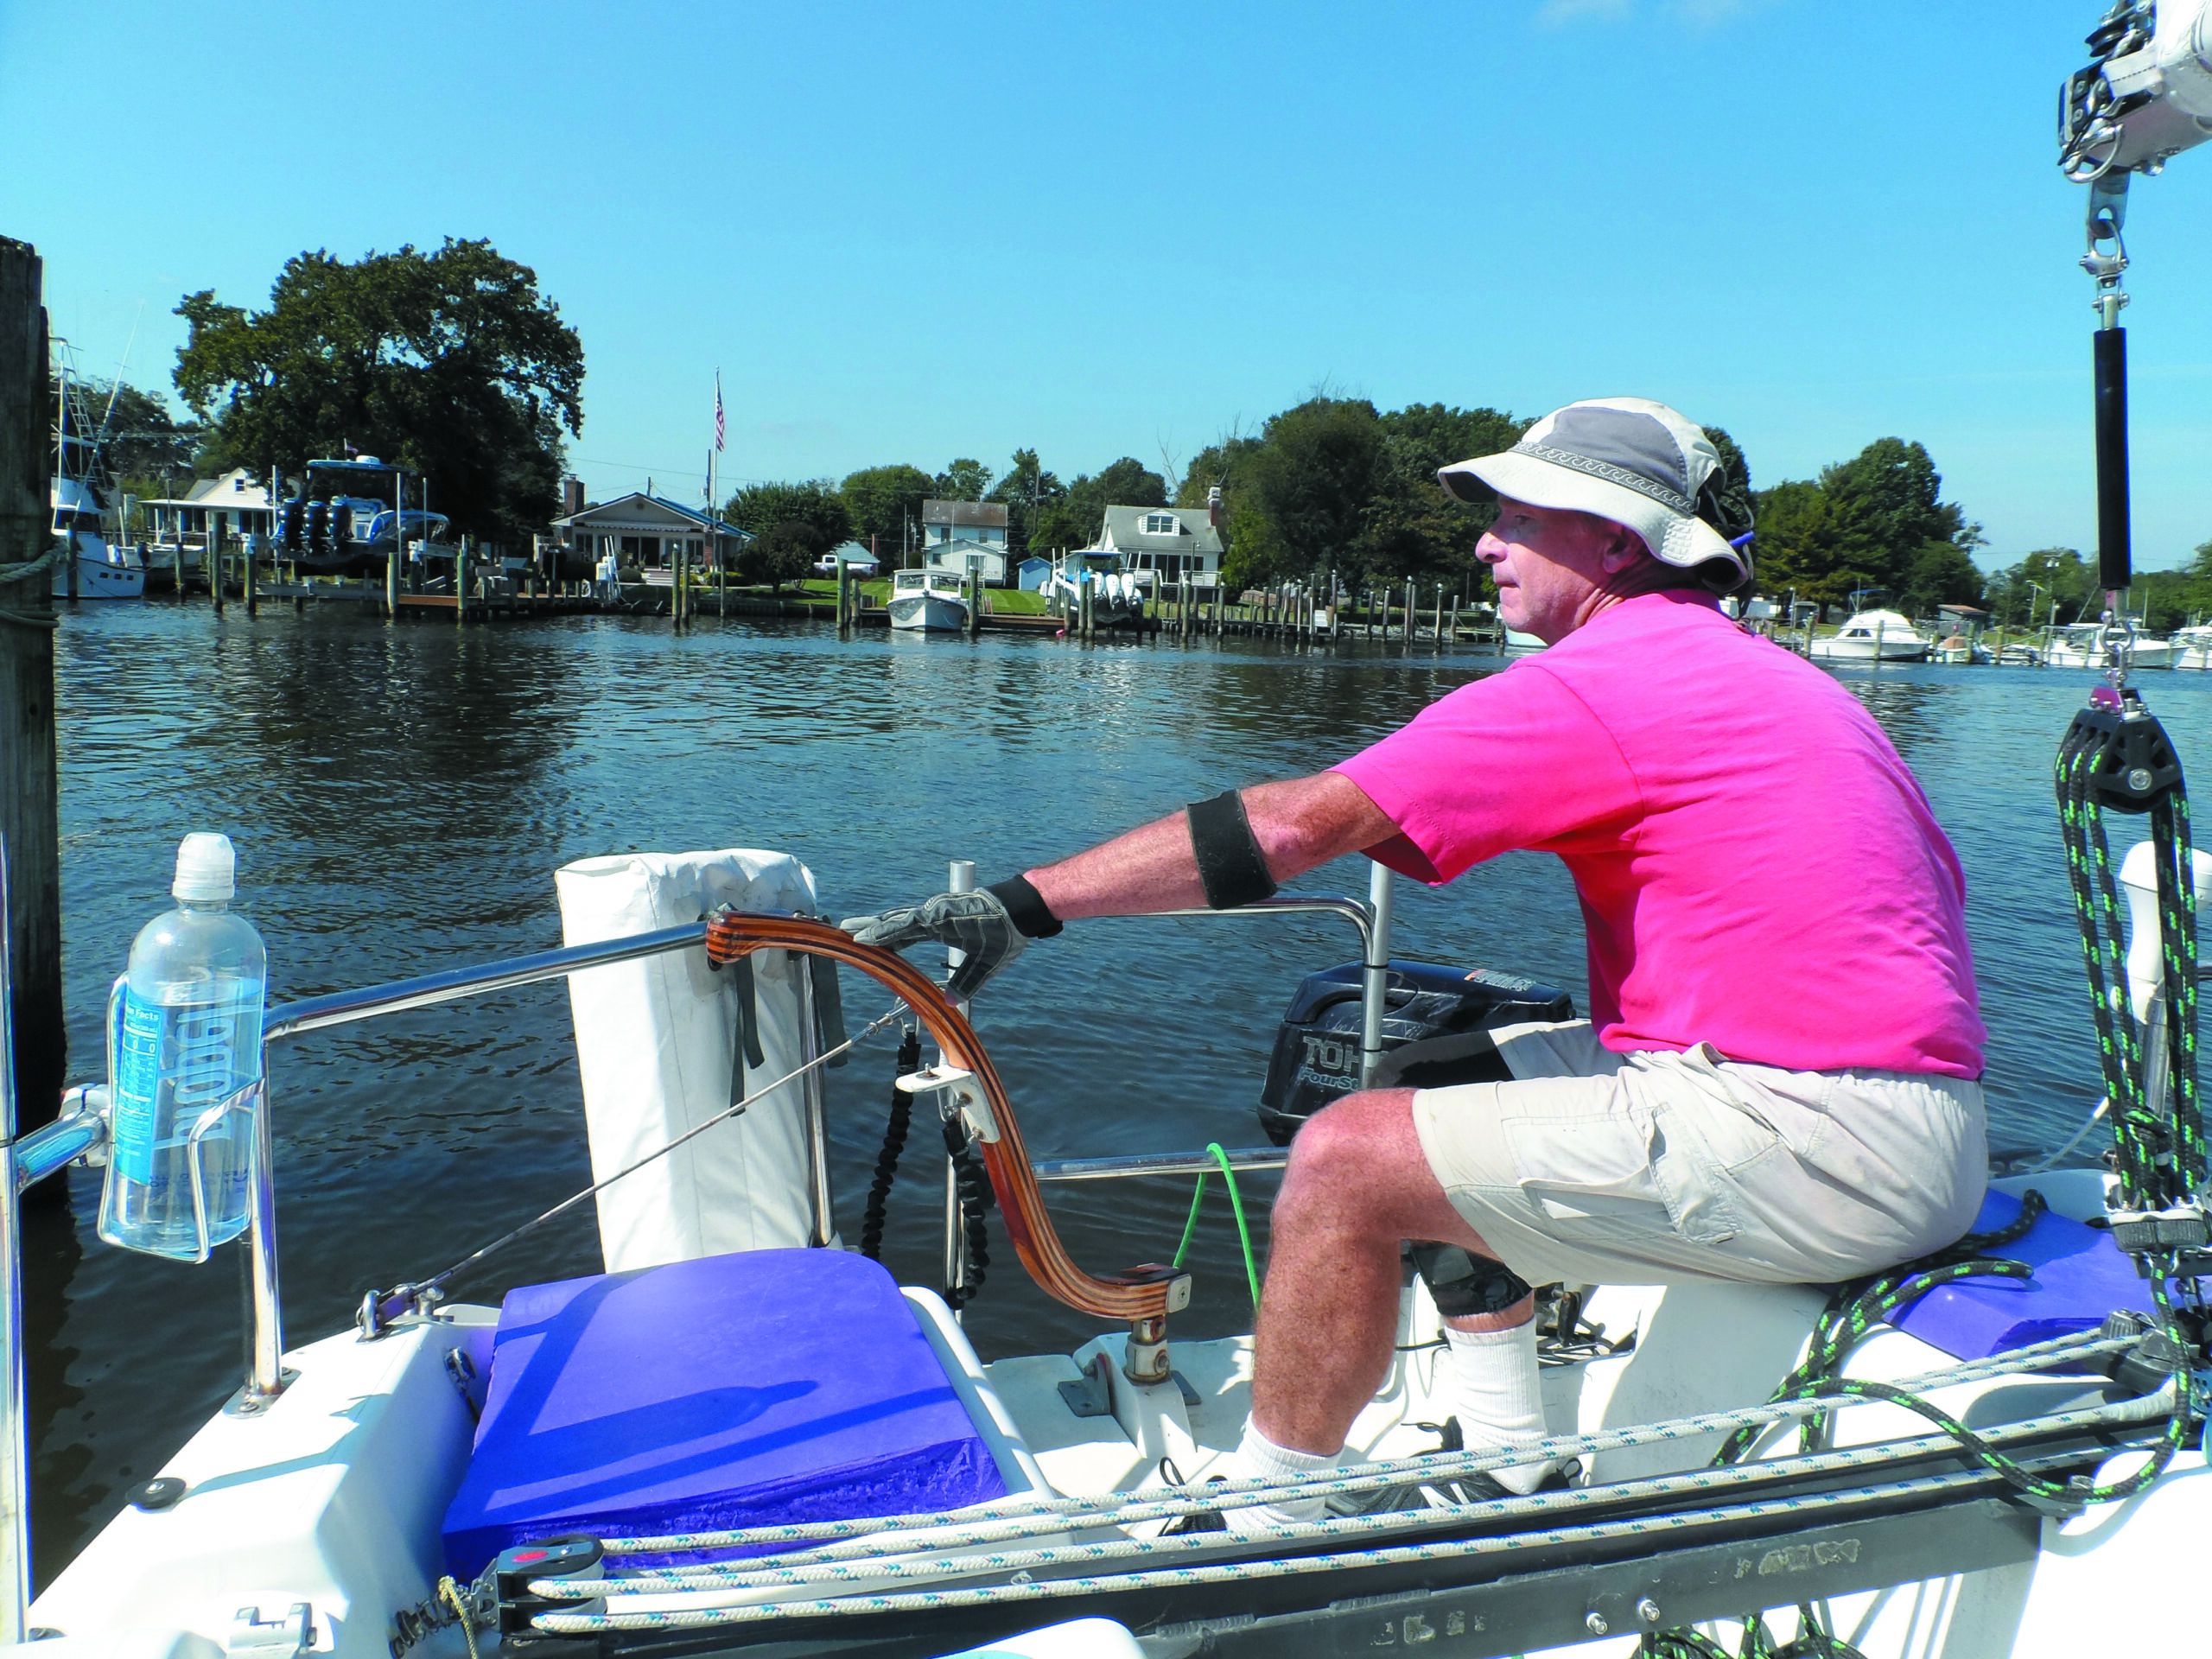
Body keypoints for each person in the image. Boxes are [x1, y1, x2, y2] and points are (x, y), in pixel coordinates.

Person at [846, 397, 1987, 1523]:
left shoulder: (1605, 684)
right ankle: (1510, 1460)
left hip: (1822, 1134)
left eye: (1519, 515)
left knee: (1347, 1160)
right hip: (1882, 1114)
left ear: (1611, 542)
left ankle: (1266, 1520)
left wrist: (1018, 906)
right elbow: (1369, 821)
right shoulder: (1764, 677)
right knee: (1427, 1088)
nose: (1487, 541)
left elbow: (1290, 830)